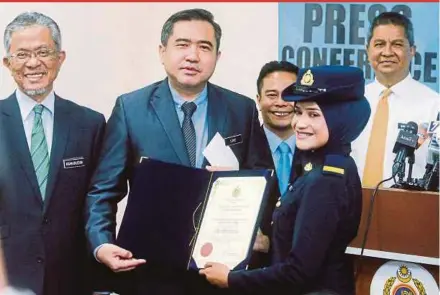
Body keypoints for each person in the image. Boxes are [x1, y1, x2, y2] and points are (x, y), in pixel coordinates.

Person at [85, 8, 271, 295]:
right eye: (182, 45)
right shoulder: (131, 109)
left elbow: (265, 185)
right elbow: (103, 191)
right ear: (162, 52)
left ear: (217, 57)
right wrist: (101, 244)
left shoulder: (241, 110)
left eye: (204, 47)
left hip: (221, 273)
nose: (193, 56)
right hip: (151, 269)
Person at [199, 65, 371, 295]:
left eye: (314, 115)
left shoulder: (325, 179)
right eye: (299, 112)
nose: (299, 123)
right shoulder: (326, 165)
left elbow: (297, 273)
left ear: (340, 119)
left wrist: (231, 279)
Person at [0, 12, 106, 295]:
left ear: (60, 58)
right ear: (7, 63)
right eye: (22, 54)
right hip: (7, 279)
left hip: (73, 279)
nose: (33, 63)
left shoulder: (90, 124)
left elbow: (98, 203)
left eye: (43, 52)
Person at [351, 12, 439, 188]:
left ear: (412, 51)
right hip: (349, 208)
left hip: (409, 209)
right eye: (379, 44)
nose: (387, 52)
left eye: (397, 44)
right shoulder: (352, 101)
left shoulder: (434, 105)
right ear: (367, 50)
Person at [249, 60, 298, 268]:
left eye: (289, 95)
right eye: (272, 95)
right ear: (259, 100)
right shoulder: (241, 151)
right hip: (252, 275)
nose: (281, 102)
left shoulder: (320, 153)